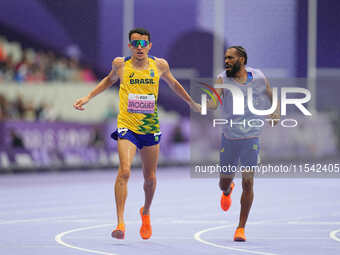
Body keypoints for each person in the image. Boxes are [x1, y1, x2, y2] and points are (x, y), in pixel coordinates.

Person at [73, 28, 200, 240]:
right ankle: (120, 223)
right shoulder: (120, 64)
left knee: (149, 179)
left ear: (149, 46)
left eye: (144, 44)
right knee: (124, 171)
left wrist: (191, 102)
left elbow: (175, 84)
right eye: (135, 44)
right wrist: (88, 97)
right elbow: (108, 80)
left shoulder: (159, 65)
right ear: (130, 46)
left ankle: (146, 211)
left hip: (149, 127)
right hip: (127, 126)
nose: (140, 48)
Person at [206, 46, 279, 242]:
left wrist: (276, 111)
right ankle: (227, 190)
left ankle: (240, 228)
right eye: (225, 58)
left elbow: (270, 94)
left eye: (230, 58)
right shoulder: (222, 78)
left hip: (252, 137)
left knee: (248, 182)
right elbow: (214, 101)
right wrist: (207, 103)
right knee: (223, 182)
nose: (227, 61)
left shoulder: (258, 76)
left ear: (242, 59)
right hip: (230, 138)